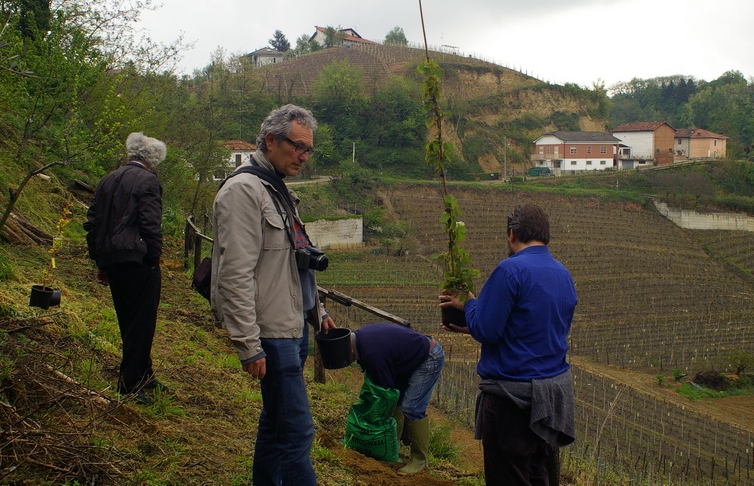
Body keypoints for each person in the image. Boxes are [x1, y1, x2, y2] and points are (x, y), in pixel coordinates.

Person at [211, 104, 336, 486]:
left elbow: (297, 257)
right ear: (270, 140)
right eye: (297, 147)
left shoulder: (276, 189)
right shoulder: (243, 191)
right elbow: (235, 273)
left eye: (308, 150)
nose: (303, 156)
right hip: (272, 332)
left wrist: (317, 310)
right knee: (297, 431)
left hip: (292, 324)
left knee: (276, 421)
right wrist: (249, 343)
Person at [439, 203, 577, 485]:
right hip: (551, 395)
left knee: (509, 476)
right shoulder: (563, 273)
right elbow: (533, 329)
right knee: (539, 473)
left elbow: (488, 330)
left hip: (512, 399)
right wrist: (476, 323)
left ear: (512, 234)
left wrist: (469, 304)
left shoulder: (510, 271)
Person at [84, 132, 168, 405]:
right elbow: (150, 225)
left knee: (128, 319)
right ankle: (130, 383)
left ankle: (144, 373)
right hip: (137, 259)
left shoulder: (107, 180)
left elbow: (94, 224)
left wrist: (100, 261)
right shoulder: (148, 181)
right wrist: (154, 258)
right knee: (142, 322)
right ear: (153, 160)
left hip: (113, 259)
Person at [349, 322, 444, 475]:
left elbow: (386, 390)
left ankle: (420, 460)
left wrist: (375, 415)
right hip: (407, 359)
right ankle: (391, 447)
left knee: (412, 407)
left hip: (429, 357)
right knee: (398, 402)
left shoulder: (370, 353)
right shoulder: (360, 338)